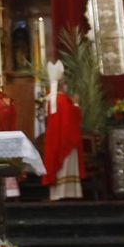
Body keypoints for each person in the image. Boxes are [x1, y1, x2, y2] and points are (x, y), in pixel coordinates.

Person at [41, 61, 83, 201]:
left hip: (54, 141)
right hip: (66, 141)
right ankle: (67, 193)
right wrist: (76, 104)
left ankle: (56, 193)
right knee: (66, 165)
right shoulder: (63, 100)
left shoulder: (50, 100)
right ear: (60, 84)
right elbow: (72, 119)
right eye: (64, 82)